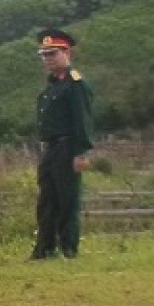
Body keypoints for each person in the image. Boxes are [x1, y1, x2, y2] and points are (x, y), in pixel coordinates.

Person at [32, 29, 96, 260]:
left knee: (67, 200)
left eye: (53, 53)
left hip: (68, 146)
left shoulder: (75, 84)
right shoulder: (51, 86)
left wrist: (81, 152)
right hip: (50, 148)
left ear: (66, 52)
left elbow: (82, 120)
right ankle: (44, 248)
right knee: (47, 200)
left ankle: (68, 249)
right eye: (45, 55)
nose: (48, 59)